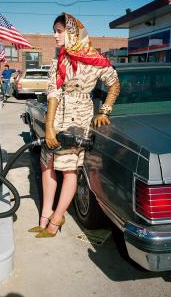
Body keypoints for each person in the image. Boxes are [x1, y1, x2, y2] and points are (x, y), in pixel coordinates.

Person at [29, 13, 120, 238]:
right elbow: (53, 92)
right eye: (54, 31)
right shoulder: (60, 60)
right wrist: (49, 127)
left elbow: (115, 84)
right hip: (56, 113)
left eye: (59, 31)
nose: (55, 35)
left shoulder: (96, 60)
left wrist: (104, 111)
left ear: (72, 33)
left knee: (69, 169)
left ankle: (57, 218)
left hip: (78, 118)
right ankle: (44, 216)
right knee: (46, 164)